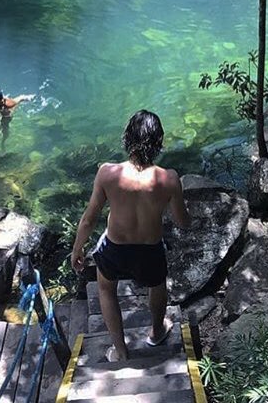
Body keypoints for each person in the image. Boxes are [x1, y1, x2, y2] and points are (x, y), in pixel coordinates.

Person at [71, 110, 192, 362]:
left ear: (127, 139)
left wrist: (77, 249)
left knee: (105, 288)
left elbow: (89, 218)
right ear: (158, 141)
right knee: (157, 285)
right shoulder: (169, 179)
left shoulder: (107, 173)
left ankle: (121, 350)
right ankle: (157, 332)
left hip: (115, 248)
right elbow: (183, 222)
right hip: (150, 249)